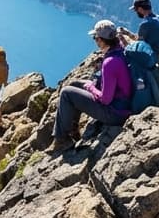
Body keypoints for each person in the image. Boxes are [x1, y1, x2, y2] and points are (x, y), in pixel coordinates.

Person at [50, 20, 132, 153]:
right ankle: (73, 130)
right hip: (122, 103)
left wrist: (91, 88)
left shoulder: (110, 63)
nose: (95, 41)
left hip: (115, 113)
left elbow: (106, 100)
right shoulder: (120, 49)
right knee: (74, 85)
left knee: (66, 93)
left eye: (95, 38)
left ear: (101, 40)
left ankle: (62, 140)